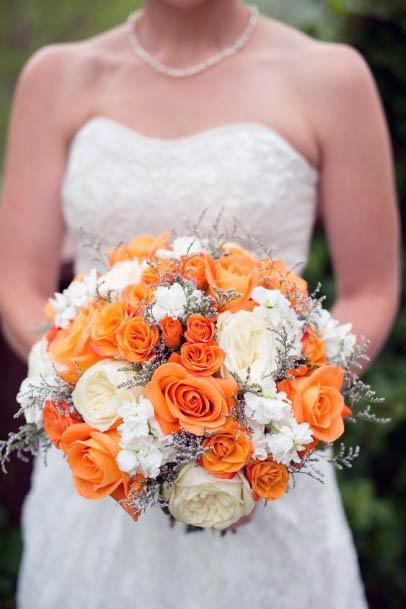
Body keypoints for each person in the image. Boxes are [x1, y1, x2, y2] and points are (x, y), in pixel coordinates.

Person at [0, 1, 399, 608]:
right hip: (95, 481)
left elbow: (371, 289)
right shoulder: (57, 77)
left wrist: (269, 425)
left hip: (267, 479)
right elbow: (16, 285)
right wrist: (98, 401)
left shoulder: (330, 78)